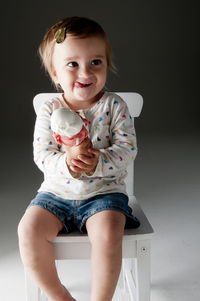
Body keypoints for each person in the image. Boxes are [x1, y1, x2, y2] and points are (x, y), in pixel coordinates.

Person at [18, 16, 140, 301]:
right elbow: (42, 154)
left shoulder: (114, 106)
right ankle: (59, 295)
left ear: (107, 65)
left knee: (109, 232)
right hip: (55, 195)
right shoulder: (50, 109)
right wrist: (67, 162)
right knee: (28, 230)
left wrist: (99, 160)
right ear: (55, 73)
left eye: (95, 62)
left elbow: (128, 149)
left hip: (103, 193)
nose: (85, 72)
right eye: (72, 64)